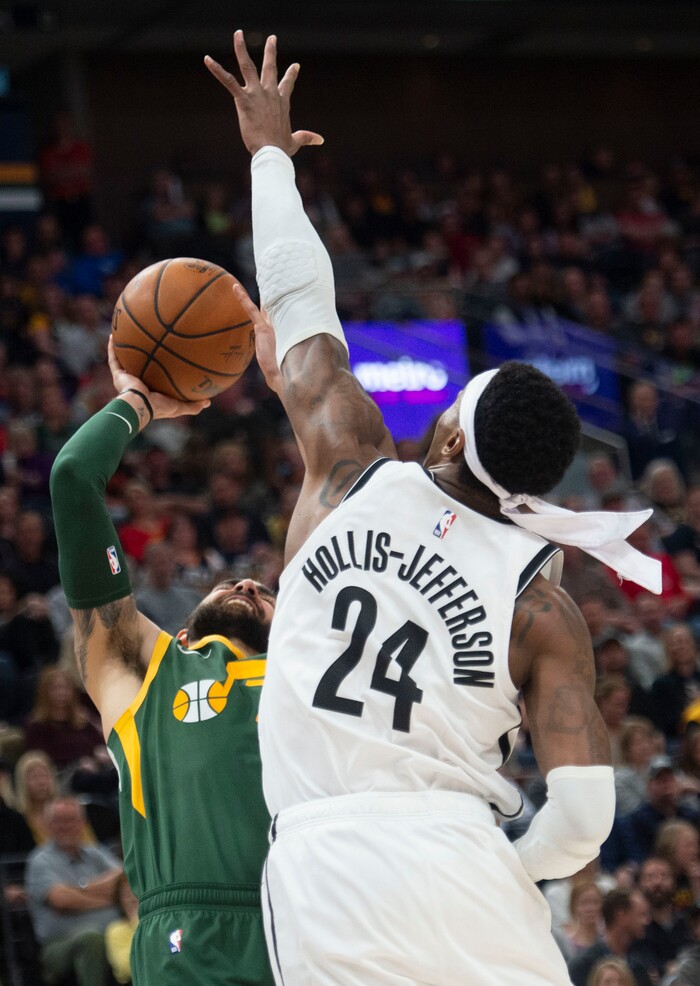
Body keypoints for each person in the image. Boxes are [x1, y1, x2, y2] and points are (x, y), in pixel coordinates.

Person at [205, 31, 661, 986]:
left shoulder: (349, 470)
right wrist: (496, 863)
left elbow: (299, 298)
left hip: (327, 869)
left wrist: (269, 159)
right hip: (467, 865)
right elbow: (581, 821)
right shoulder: (545, 606)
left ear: (450, 437)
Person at [49, 341, 276, 985]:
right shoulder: (143, 674)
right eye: (235, 582)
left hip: (306, 922)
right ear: (181, 628)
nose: (250, 586)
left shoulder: (309, 678)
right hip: (185, 939)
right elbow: (72, 478)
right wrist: (139, 402)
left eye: (267, 591)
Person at [25, 795, 122, 986]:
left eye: (71, 819)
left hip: (113, 935)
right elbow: (61, 900)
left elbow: (123, 879)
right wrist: (109, 899)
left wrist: (79, 889)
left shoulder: (96, 853)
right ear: (47, 824)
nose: (65, 826)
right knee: (90, 938)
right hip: (60, 945)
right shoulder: (40, 861)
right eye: (59, 820)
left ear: (83, 823)